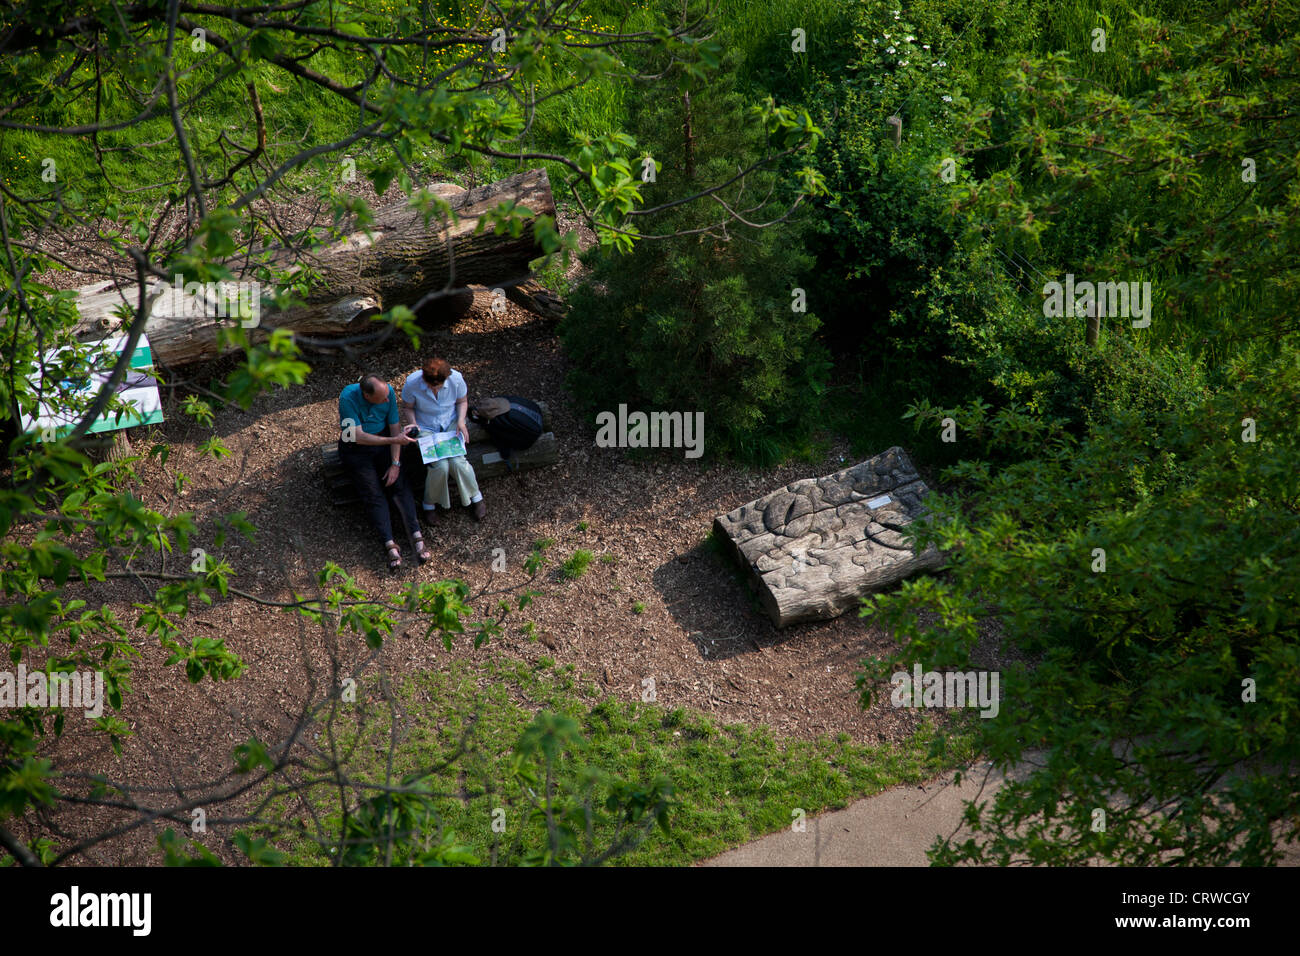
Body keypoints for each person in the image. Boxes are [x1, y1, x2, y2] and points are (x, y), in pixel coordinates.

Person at [337, 374, 430, 570]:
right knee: (373, 493)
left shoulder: (387, 392)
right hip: (356, 449)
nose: (387, 400)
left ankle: (415, 534)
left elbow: (394, 427)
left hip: (384, 441)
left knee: (399, 483)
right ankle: (389, 543)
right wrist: (393, 441)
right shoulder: (347, 398)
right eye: (382, 398)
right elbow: (356, 436)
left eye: (388, 395)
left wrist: (395, 463)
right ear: (366, 396)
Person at [399, 356, 486, 521]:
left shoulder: (457, 379)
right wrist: (414, 424)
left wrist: (461, 421)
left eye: (437, 386)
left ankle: (475, 497)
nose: (434, 389)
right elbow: (407, 407)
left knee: (457, 462)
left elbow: (462, 401)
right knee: (440, 466)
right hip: (425, 427)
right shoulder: (412, 383)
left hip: (451, 423)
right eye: (430, 386)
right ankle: (429, 503)